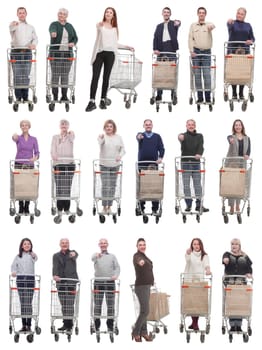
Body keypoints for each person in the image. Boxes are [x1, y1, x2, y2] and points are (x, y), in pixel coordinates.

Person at [85, 7, 133, 112]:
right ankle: (92, 101)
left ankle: (102, 100)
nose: (108, 13)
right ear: (105, 14)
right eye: (107, 12)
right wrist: (98, 26)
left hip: (110, 55)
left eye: (110, 12)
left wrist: (127, 46)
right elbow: (97, 28)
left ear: (113, 16)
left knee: (106, 78)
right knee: (95, 77)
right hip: (99, 54)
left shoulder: (115, 29)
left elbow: (115, 44)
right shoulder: (100, 25)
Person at [178, 119, 209, 212]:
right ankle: (188, 205)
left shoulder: (199, 136)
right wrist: (179, 136)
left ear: (195, 126)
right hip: (185, 163)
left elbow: (201, 146)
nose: (191, 126)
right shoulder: (184, 136)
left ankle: (199, 205)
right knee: (186, 185)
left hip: (196, 163)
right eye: (189, 125)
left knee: (197, 185)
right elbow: (180, 137)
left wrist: (199, 154)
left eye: (192, 125)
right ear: (186, 126)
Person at [222, 238, 253, 332]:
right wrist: (225, 260)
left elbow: (249, 268)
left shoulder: (245, 256)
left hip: (241, 284)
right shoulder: (227, 254)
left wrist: (249, 273)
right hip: (230, 284)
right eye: (232, 244)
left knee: (239, 304)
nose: (234, 246)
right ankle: (232, 325)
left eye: (236, 244)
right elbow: (225, 260)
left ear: (240, 246)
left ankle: (239, 326)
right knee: (232, 304)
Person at [49, 8, 78, 102]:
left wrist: (73, 43)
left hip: (67, 54)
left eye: (64, 14)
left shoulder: (70, 26)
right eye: (60, 13)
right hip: (55, 54)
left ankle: (64, 96)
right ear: (58, 14)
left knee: (65, 75)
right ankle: (55, 96)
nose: (61, 15)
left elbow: (75, 37)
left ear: (66, 16)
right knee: (55, 75)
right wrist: (53, 33)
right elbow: (52, 29)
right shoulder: (54, 24)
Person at [91, 238, 120, 332]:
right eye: (101, 243)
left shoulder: (112, 256)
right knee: (97, 305)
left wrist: (115, 275)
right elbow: (92, 258)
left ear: (107, 245)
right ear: (99, 245)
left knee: (110, 305)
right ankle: (96, 324)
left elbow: (117, 267)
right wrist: (97, 255)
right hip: (98, 282)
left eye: (105, 243)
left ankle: (110, 325)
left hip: (110, 282)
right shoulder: (96, 255)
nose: (103, 245)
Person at [9, 7, 38, 102]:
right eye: (20, 13)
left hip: (27, 53)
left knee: (26, 75)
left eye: (23, 13)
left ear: (26, 14)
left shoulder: (31, 27)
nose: (21, 14)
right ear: (17, 15)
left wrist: (33, 44)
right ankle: (18, 96)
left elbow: (35, 38)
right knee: (17, 75)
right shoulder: (14, 25)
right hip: (16, 52)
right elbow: (11, 28)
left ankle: (25, 96)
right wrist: (13, 24)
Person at [136, 119, 165, 213]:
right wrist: (139, 136)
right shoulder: (141, 135)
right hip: (142, 164)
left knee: (154, 186)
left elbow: (161, 148)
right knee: (142, 186)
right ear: (143, 126)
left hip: (153, 164)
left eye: (149, 124)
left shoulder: (157, 136)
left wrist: (160, 157)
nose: (148, 126)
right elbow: (138, 136)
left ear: (152, 126)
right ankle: (141, 208)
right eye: (146, 124)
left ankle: (155, 208)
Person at [153, 6, 181, 101]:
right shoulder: (159, 26)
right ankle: (159, 94)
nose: (166, 13)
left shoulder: (173, 24)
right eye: (164, 12)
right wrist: (155, 49)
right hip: (161, 49)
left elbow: (178, 23)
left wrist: (178, 22)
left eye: (168, 12)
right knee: (160, 73)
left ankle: (173, 94)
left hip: (171, 49)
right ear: (162, 14)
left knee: (172, 72)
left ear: (170, 14)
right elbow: (155, 38)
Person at [12, 120, 40, 215]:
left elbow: (37, 152)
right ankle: (20, 206)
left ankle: (27, 206)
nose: (24, 127)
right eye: (22, 125)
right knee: (20, 185)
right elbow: (14, 138)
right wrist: (14, 136)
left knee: (28, 186)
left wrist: (35, 158)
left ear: (29, 127)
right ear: (21, 127)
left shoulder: (34, 139)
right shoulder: (18, 138)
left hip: (29, 164)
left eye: (26, 125)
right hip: (19, 163)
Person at [98, 119, 125, 214]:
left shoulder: (118, 137)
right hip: (104, 165)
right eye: (107, 126)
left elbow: (123, 149)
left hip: (115, 165)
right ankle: (104, 206)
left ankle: (109, 206)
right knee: (105, 186)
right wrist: (100, 138)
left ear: (113, 128)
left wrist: (120, 156)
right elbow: (100, 142)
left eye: (110, 126)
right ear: (104, 128)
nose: (109, 128)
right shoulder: (102, 136)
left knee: (112, 186)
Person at [188, 7, 215, 103]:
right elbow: (190, 38)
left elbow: (212, 26)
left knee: (207, 75)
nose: (201, 14)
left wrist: (211, 26)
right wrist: (191, 51)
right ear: (197, 14)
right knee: (197, 75)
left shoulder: (208, 24)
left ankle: (208, 98)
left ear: (205, 14)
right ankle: (200, 98)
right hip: (196, 53)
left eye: (203, 13)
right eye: (200, 12)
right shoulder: (193, 26)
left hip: (207, 53)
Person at [227, 8, 255, 100]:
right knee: (234, 73)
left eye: (241, 14)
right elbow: (229, 27)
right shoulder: (232, 23)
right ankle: (234, 93)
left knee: (243, 73)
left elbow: (252, 38)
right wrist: (229, 22)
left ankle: (241, 93)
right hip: (233, 52)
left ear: (245, 15)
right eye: (238, 13)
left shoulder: (248, 25)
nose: (239, 15)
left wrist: (250, 41)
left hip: (244, 52)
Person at [184, 238, 211, 331]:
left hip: (199, 282)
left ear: (201, 245)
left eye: (198, 244)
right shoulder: (189, 254)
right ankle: (193, 322)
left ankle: (195, 323)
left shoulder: (204, 255)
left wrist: (208, 270)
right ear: (192, 245)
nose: (196, 246)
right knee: (191, 302)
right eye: (194, 244)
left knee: (197, 302)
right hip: (189, 281)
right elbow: (187, 260)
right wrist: (187, 253)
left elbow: (206, 264)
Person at [11, 238, 37, 332]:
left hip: (30, 280)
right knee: (22, 303)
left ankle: (29, 325)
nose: (27, 245)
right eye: (25, 244)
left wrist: (33, 254)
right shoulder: (18, 256)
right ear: (22, 246)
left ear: (31, 246)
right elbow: (13, 266)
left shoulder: (32, 255)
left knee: (28, 303)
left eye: (28, 244)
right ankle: (24, 325)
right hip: (21, 280)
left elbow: (36, 258)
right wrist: (14, 272)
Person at [53, 238, 79, 332]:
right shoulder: (56, 255)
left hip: (71, 282)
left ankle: (70, 324)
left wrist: (73, 254)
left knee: (70, 304)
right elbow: (55, 266)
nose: (65, 244)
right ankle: (65, 324)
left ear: (69, 244)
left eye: (66, 243)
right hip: (61, 283)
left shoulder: (72, 253)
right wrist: (55, 275)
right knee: (63, 304)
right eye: (63, 243)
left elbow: (75, 255)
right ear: (60, 244)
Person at [51, 119, 75, 216]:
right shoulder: (55, 137)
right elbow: (52, 149)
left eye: (65, 124)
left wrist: (70, 133)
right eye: (62, 124)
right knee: (60, 187)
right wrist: (54, 156)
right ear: (59, 126)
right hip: (59, 164)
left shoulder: (70, 135)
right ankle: (60, 209)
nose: (64, 126)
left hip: (69, 164)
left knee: (67, 187)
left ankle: (67, 209)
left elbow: (72, 138)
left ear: (68, 126)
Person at [226, 119, 251, 214]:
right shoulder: (231, 137)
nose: (238, 127)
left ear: (242, 126)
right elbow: (228, 138)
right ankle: (231, 206)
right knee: (232, 185)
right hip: (232, 164)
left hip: (242, 164)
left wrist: (247, 155)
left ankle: (237, 204)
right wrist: (230, 140)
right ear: (234, 127)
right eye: (236, 125)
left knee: (240, 185)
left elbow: (249, 150)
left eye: (239, 125)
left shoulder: (247, 138)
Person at [132, 238, 154, 342]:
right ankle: (136, 332)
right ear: (137, 246)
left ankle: (144, 332)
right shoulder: (137, 256)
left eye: (144, 244)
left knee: (144, 311)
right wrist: (140, 262)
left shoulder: (144, 256)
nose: (142, 246)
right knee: (145, 311)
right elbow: (139, 262)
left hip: (147, 286)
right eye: (140, 245)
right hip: (141, 286)